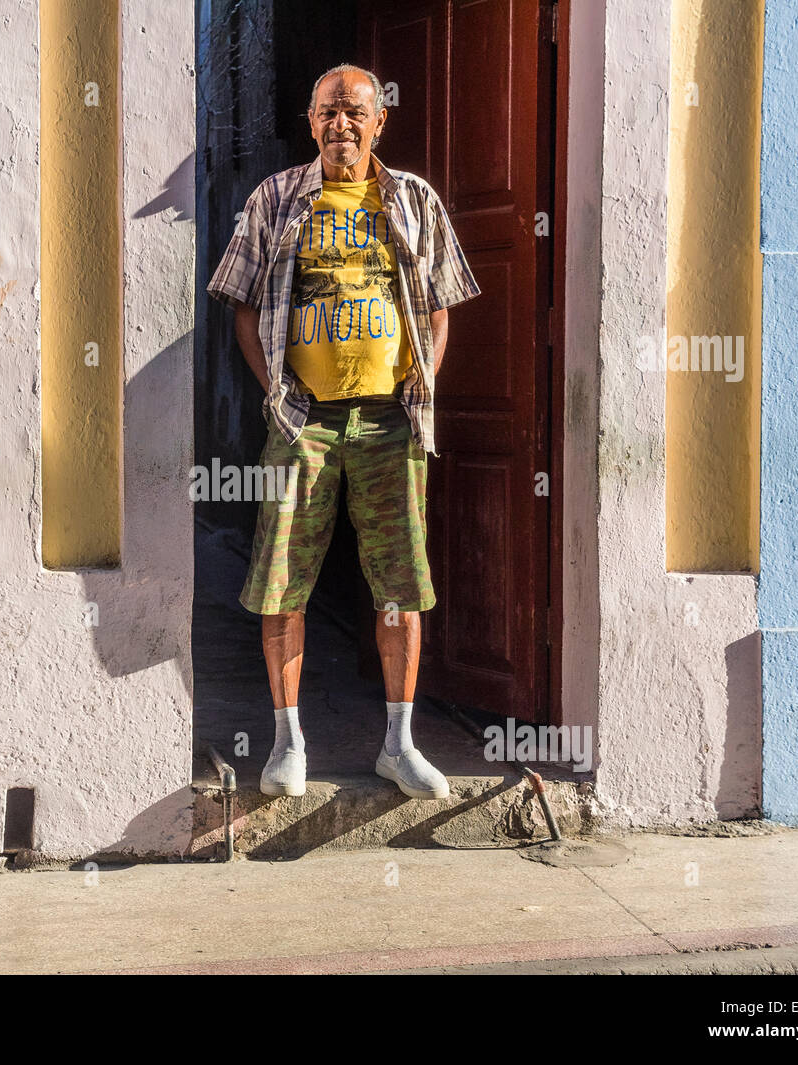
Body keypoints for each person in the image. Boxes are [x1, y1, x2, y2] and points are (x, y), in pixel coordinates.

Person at [206, 63, 481, 799]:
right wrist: (278, 393)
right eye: (328, 111)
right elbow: (237, 303)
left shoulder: (414, 200)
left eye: (355, 112)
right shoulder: (275, 198)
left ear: (380, 119)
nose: (342, 125)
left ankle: (399, 742)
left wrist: (425, 377)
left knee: (401, 584)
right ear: (310, 120)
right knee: (281, 582)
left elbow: (440, 305)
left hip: (392, 420)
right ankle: (287, 742)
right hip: (306, 425)